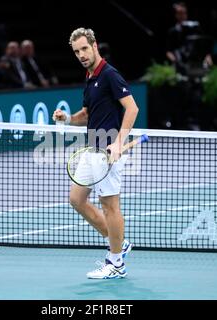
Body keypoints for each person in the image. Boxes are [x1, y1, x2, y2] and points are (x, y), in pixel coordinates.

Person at [52, 28, 139, 279]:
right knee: (76, 199)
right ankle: (119, 244)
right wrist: (67, 118)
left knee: (110, 206)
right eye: (76, 51)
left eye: (84, 49)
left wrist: (118, 142)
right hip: (92, 149)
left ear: (94, 46)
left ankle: (116, 263)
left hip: (108, 150)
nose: (81, 54)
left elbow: (132, 109)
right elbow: (87, 115)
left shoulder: (110, 75)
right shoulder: (90, 76)